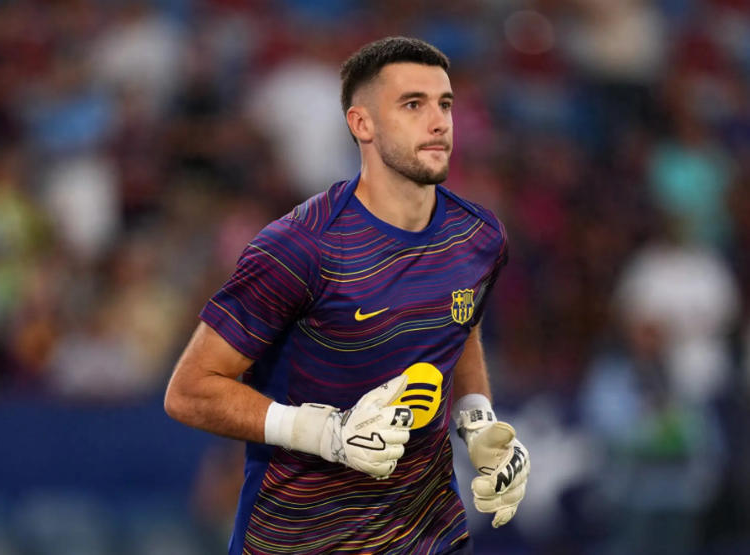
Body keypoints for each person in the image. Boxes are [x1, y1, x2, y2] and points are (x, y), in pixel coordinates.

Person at [165, 36, 530, 554]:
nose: (439, 122)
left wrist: (477, 421)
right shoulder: (300, 246)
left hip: (430, 536)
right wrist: (326, 433)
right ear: (362, 124)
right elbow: (190, 390)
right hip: (300, 538)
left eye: (445, 104)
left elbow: (458, 325)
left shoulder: (479, 235)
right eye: (413, 105)